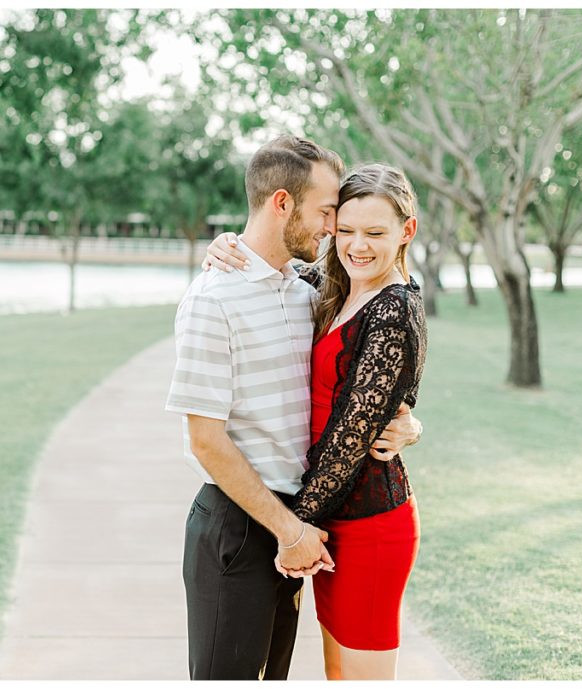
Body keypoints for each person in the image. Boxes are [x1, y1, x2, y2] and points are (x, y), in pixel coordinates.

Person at [165, 136, 422, 681]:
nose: (335, 230)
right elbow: (205, 440)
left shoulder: (304, 289)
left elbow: (364, 375)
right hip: (243, 524)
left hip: (297, 520)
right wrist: (292, 529)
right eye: (329, 213)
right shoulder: (214, 299)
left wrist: (404, 420)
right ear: (282, 202)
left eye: (357, 224)